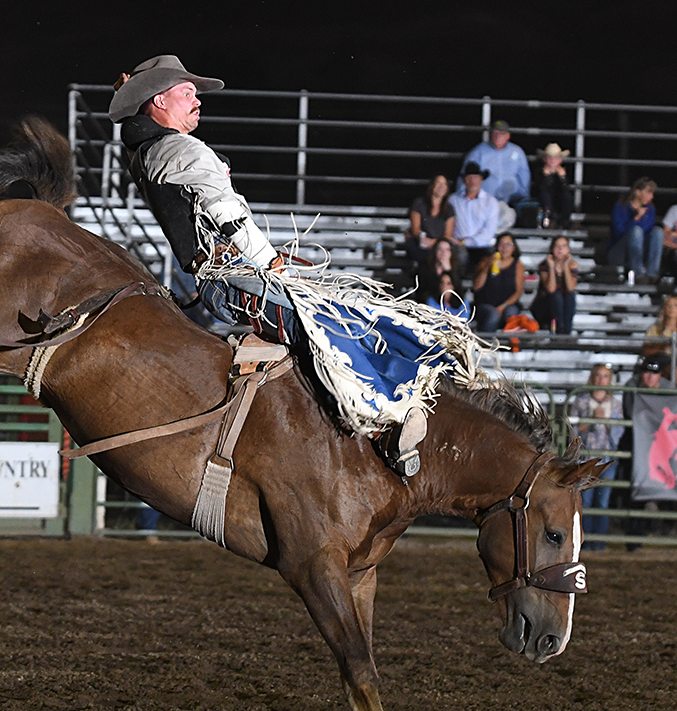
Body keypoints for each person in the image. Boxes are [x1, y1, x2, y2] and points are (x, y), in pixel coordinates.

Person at [109, 55, 484, 478]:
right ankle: (381, 423)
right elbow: (230, 218)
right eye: (187, 93)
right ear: (159, 100)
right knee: (321, 329)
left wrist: (132, 96)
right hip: (234, 278)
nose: (197, 100)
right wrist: (271, 263)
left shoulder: (148, 151)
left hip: (222, 277)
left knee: (330, 317)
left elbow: (139, 134)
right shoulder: (181, 150)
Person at [621, 356, 675, 550]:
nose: (650, 377)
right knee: (635, 487)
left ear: (660, 374)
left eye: (654, 373)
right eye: (647, 372)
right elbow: (628, 412)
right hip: (638, 442)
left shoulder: (669, 389)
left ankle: (665, 529)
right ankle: (634, 540)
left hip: (661, 445)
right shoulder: (632, 386)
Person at [569, 364, 623, 551]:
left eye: (605, 376)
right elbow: (572, 430)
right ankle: (584, 541)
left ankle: (598, 543)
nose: (601, 380)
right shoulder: (581, 400)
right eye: (598, 376)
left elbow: (619, 433)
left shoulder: (615, 404)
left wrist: (606, 423)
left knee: (602, 502)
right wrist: (590, 420)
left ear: (610, 380)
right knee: (586, 501)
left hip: (607, 458)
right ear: (593, 378)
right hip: (585, 459)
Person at [460, 121, 530, 229]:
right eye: (495, 133)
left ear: (508, 136)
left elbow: (524, 177)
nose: (497, 137)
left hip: (511, 201)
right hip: (484, 203)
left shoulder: (517, 152)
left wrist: (523, 197)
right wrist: (463, 198)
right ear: (490, 135)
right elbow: (466, 176)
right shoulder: (479, 152)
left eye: (501, 134)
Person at [606, 177, 663, 284]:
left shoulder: (650, 210)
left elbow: (648, 232)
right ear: (637, 192)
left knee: (657, 231)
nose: (651, 197)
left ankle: (652, 273)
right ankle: (638, 274)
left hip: (639, 250)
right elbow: (619, 232)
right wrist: (636, 219)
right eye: (648, 193)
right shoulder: (620, 207)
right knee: (636, 231)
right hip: (620, 251)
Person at [471, 232, 525, 333]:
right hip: (485, 304)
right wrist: (487, 267)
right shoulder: (486, 261)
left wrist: (503, 306)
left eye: (508, 245)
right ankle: (486, 345)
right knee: (492, 314)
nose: (504, 248)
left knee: (512, 312)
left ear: (513, 248)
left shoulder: (518, 266)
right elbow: (477, 287)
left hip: (507, 304)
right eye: (501, 244)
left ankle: (511, 346)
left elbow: (518, 292)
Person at [450, 162, 499, 271]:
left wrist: (465, 242)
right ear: (464, 180)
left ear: (481, 179)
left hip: (482, 246)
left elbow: (489, 232)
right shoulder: (453, 200)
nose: (472, 181)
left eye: (475, 177)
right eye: (469, 178)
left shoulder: (491, 202)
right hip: (458, 246)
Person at [405, 174, 455, 272]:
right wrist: (424, 240)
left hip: (439, 244)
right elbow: (415, 229)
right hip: (421, 243)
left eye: (444, 184)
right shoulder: (419, 203)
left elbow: (448, 235)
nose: (441, 187)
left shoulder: (449, 209)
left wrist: (434, 242)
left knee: (444, 253)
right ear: (432, 186)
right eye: (438, 183)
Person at [530, 236, 579, 334]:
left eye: (563, 246)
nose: (560, 249)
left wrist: (565, 266)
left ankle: (567, 330)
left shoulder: (572, 265)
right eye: (557, 246)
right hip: (545, 305)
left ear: (568, 249)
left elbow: (570, 288)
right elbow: (550, 289)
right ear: (552, 249)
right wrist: (552, 267)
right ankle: (559, 330)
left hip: (564, 304)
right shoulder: (544, 265)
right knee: (556, 296)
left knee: (570, 296)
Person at [533, 143, 574, 228]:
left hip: (559, 202)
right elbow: (539, 189)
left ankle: (563, 222)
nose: (552, 160)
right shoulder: (539, 171)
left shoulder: (566, 172)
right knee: (544, 194)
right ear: (544, 159)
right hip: (543, 203)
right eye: (549, 157)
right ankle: (550, 218)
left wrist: (562, 178)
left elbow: (566, 190)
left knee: (567, 196)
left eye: (556, 157)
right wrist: (546, 177)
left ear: (560, 160)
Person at [413, 237, 459, 303]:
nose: (443, 252)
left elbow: (458, 292)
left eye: (447, 250)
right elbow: (421, 291)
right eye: (440, 249)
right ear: (435, 251)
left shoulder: (456, 268)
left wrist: (449, 271)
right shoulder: (425, 268)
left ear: (451, 253)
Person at [642, 293, 677, 377]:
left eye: (675, 305)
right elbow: (646, 351)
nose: (671, 308)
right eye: (669, 305)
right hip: (659, 364)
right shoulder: (654, 329)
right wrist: (662, 347)